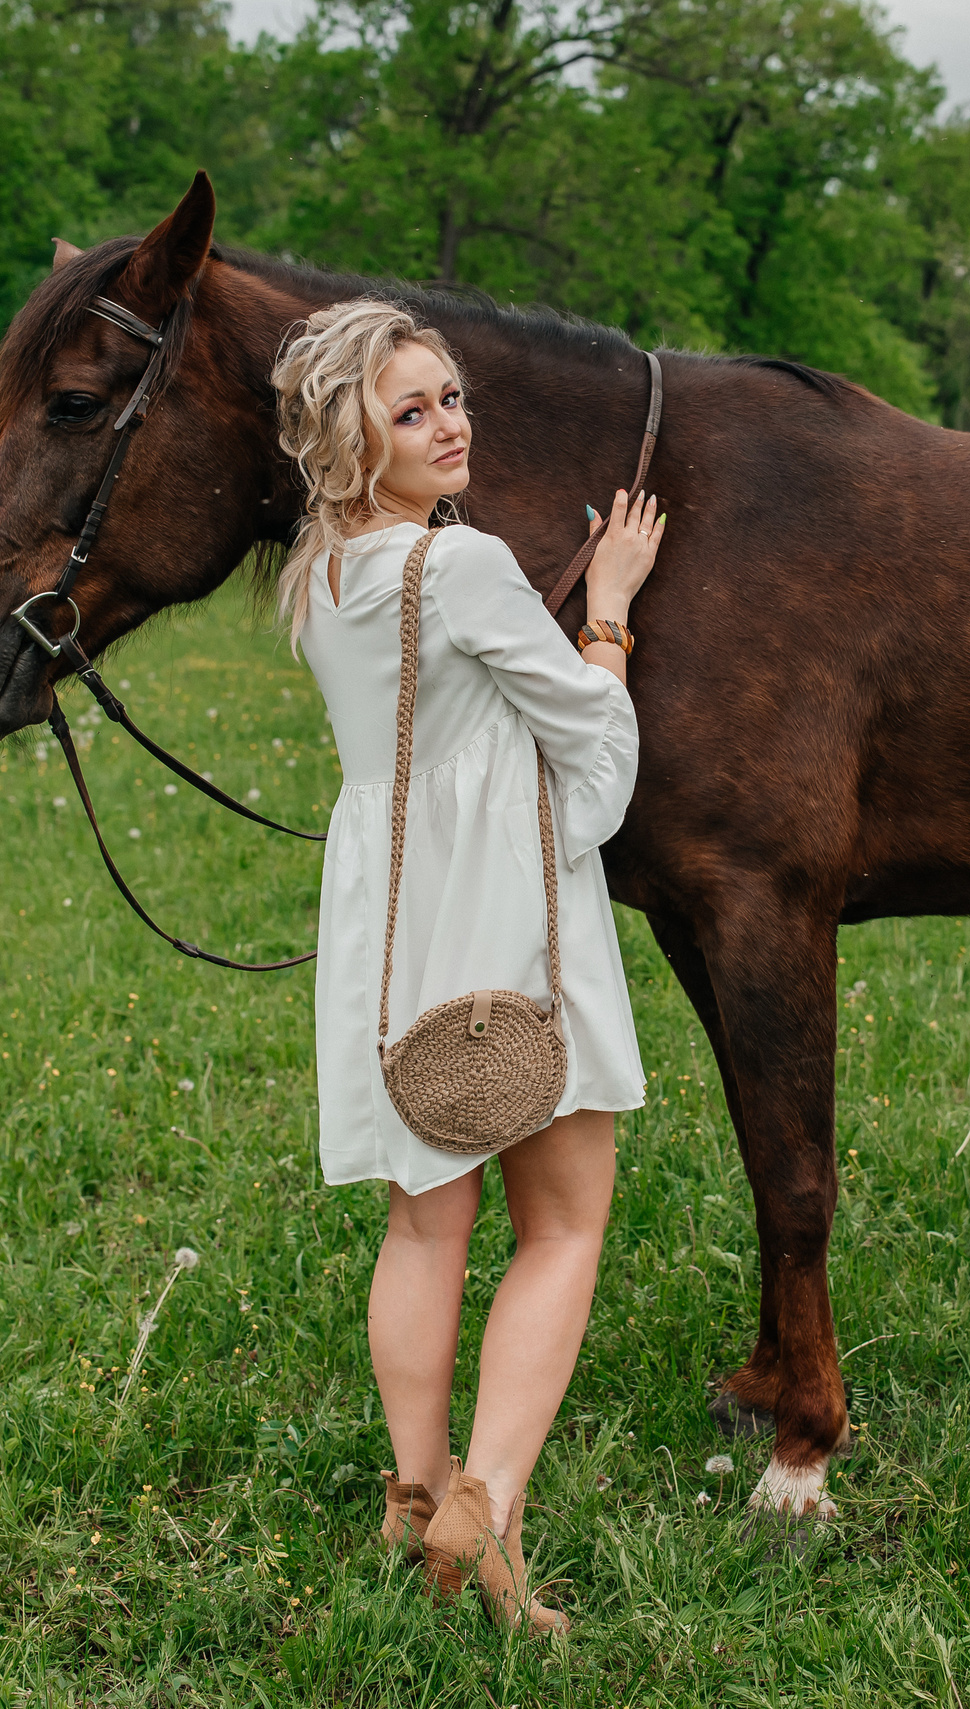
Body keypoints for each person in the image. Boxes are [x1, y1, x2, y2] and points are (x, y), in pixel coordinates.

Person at [271, 299, 663, 1634]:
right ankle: (482, 1512)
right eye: (412, 409)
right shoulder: (468, 565)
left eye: (453, 399)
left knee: (424, 1221)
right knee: (563, 1223)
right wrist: (606, 615)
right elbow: (593, 764)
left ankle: (411, 1486)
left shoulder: (317, 581)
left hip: (386, 929)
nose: (450, 426)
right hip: (503, 913)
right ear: (350, 434)